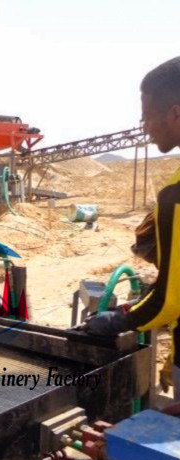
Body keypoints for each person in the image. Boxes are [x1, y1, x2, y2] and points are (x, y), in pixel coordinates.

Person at [84, 57, 180, 401]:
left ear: (175, 113)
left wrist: (117, 319)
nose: (144, 127)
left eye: (147, 115)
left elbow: (169, 301)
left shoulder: (175, 195)